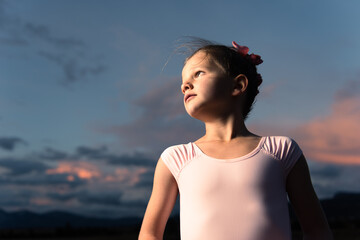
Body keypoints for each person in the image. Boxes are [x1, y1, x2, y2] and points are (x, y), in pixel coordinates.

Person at [138, 39, 333, 240]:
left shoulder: (281, 151)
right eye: (183, 81)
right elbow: (149, 234)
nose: (184, 85)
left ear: (238, 85)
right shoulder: (175, 159)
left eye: (198, 73)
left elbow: (317, 231)